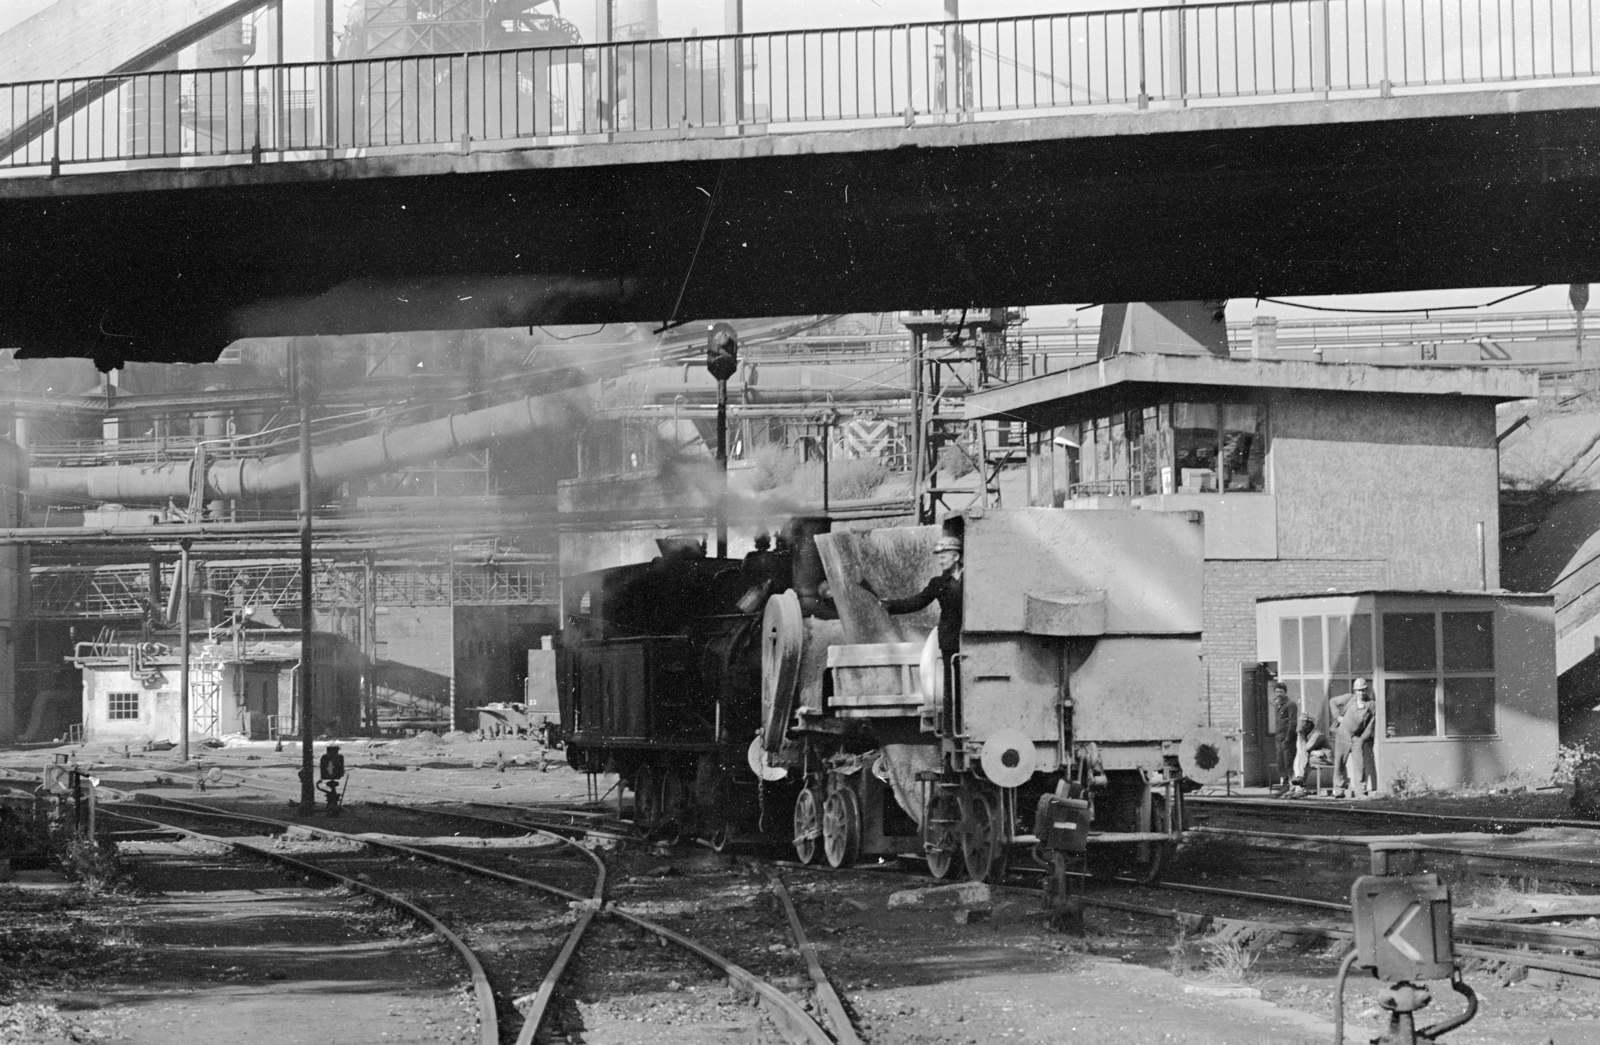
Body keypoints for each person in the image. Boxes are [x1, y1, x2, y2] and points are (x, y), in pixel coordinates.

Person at [879, 534, 964, 732]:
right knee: (952, 686)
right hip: (950, 639)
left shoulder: (972, 578)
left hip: (970, 637)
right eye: (938, 555)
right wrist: (892, 605)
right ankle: (953, 730)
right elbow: (918, 601)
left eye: (944, 555)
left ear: (957, 557)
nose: (940, 559)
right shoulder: (938, 583)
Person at [1331, 679, 1378, 798]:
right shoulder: (1349, 698)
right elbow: (1332, 701)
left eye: (1363, 690)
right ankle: (1339, 789)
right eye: (1358, 690)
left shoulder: (1371, 704)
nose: (1361, 693)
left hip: (1357, 738)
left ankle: (1360, 791)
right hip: (1343, 734)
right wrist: (1338, 717)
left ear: (1366, 690)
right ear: (1355, 690)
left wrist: (1362, 738)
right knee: (1340, 763)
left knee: (1359, 764)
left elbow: (1370, 724)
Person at [1288, 715, 1331, 797]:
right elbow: (1301, 749)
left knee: (1304, 760)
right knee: (1302, 759)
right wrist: (1300, 736)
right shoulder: (1303, 733)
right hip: (1313, 756)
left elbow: (1306, 748)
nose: (1301, 725)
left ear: (1309, 724)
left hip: (1325, 757)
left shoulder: (1317, 733)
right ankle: (1299, 784)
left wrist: (1313, 752)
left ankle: (1298, 788)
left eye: (1303, 723)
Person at [1271, 682, 1299, 792]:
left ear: (1285, 692)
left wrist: (1288, 738)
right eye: (1277, 692)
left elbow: (1292, 722)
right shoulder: (1277, 705)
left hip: (1287, 739)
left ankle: (1293, 786)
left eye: (1281, 692)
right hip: (1279, 739)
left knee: (1288, 763)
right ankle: (1285, 784)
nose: (1279, 694)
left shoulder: (1290, 704)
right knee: (1280, 763)